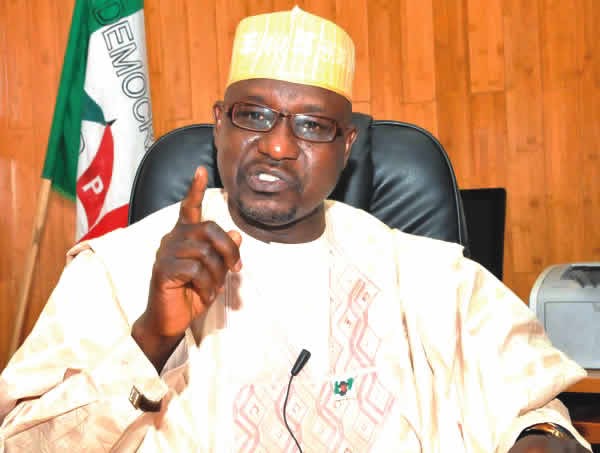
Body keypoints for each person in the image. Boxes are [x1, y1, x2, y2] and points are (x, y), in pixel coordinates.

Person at [0, 6, 592, 453]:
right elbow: (23, 443)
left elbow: (537, 409)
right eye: (254, 116)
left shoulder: (426, 275)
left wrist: (540, 439)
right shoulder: (117, 270)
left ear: (347, 144)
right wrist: (151, 338)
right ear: (219, 123)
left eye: (312, 125)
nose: (278, 146)